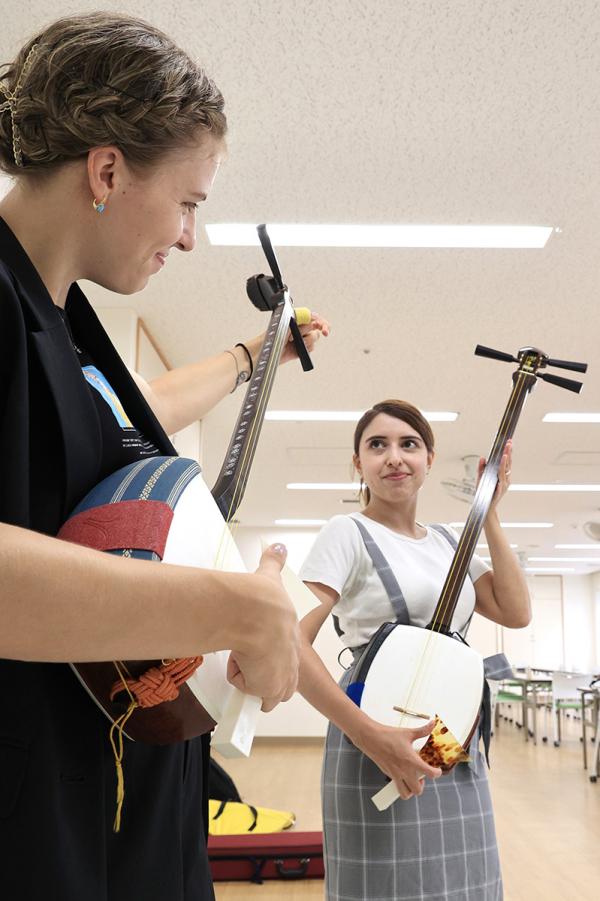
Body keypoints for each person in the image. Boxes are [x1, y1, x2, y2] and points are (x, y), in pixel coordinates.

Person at [0, 12, 328, 900]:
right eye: (188, 203)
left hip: (139, 811)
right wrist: (236, 608)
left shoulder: (66, 319)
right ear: (107, 170)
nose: (189, 236)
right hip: (39, 829)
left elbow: (125, 421)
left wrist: (251, 359)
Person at [298, 399, 531, 900]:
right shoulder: (346, 533)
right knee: (385, 883)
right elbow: (288, 641)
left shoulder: (449, 539)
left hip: (450, 732)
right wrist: (369, 735)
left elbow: (515, 612)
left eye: (409, 444)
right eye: (376, 445)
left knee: (464, 879)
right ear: (358, 463)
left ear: (428, 458)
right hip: (375, 726)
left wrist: (488, 515)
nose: (394, 457)